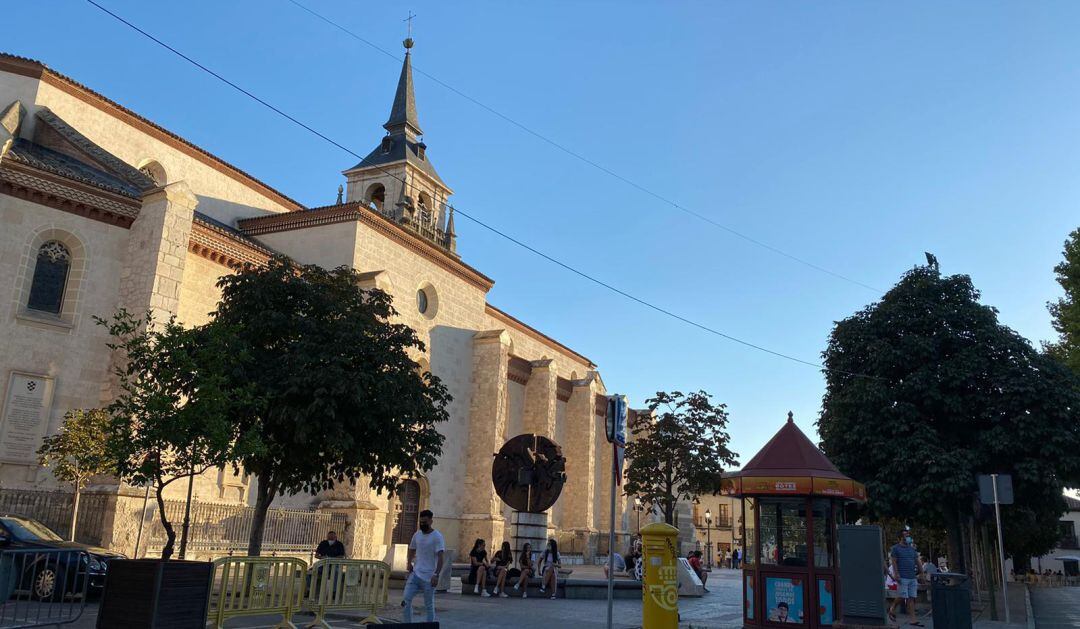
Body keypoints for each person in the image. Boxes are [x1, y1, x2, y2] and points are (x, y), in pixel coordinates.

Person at [402, 509, 444, 623]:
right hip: (416, 574)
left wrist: (436, 574)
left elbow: (441, 557)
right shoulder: (417, 535)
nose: (422, 524)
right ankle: (407, 624)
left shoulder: (437, 537)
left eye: (425, 522)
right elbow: (412, 549)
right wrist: (409, 563)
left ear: (431, 521)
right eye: (421, 522)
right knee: (406, 600)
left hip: (429, 577)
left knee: (429, 604)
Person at [890, 530, 923, 627]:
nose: (907, 537)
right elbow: (894, 562)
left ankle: (913, 619)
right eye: (905, 535)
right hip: (902, 576)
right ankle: (892, 607)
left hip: (912, 576)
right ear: (900, 538)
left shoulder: (912, 549)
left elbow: (917, 561)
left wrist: (921, 573)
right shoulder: (895, 549)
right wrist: (896, 574)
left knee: (911, 598)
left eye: (908, 535)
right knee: (902, 596)